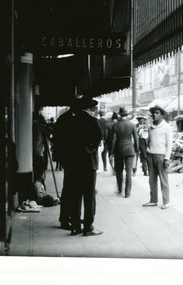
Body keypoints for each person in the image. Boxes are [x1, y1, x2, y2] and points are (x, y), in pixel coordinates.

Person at [63, 95, 103, 236]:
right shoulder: (93, 121)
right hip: (88, 165)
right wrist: (89, 148)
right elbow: (98, 139)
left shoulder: (71, 121)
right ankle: (88, 227)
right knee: (89, 195)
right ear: (91, 107)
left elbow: (66, 142)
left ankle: (75, 226)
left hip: (74, 164)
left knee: (75, 195)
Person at [53, 96, 80, 230]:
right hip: (71, 158)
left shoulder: (63, 118)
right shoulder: (70, 119)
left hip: (68, 158)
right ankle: (66, 218)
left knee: (69, 188)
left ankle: (68, 217)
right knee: (70, 189)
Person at [143, 105, 172, 210]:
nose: (154, 115)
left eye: (157, 113)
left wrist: (167, 158)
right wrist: (147, 153)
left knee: (163, 180)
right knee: (151, 180)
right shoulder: (150, 127)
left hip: (161, 156)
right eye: (153, 113)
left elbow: (169, 144)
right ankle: (153, 200)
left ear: (162, 115)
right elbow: (148, 141)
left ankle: (166, 201)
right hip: (151, 155)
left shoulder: (166, 127)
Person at [110, 108, 139, 198]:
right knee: (128, 172)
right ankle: (127, 193)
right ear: (127, 115)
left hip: (119, 150)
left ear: (120, 115)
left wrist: (111, 152)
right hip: (130, 150)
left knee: (119, 171)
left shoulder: (116, 125)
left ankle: (120, 190)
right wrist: (137, 150)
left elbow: (113, 140)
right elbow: (136, 138)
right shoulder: (132, 125)